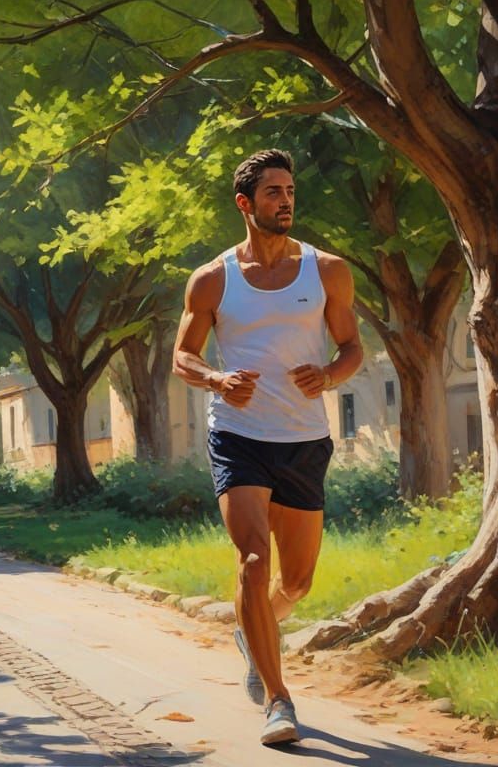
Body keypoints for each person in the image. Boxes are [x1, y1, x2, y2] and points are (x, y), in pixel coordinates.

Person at [172, 149, 362, 746]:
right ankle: (279, 701)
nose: (286, 200)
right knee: (254, 561)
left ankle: (255, 629)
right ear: (245, 203)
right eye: (274, 191)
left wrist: (330, 376)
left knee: (297, 583)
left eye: (289, 191)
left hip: (304, 437)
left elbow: (352, 347)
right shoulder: (213, 279)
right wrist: (217, 380)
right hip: (237, 433)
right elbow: (183, 356)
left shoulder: (327, 270)